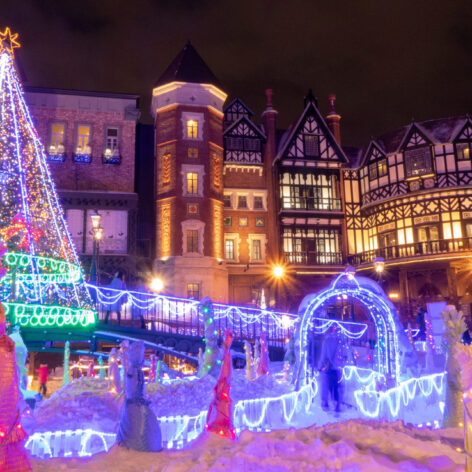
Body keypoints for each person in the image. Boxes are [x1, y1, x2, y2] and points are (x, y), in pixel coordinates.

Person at [318, 325, 341, 413]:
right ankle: (336, 404)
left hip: (329, 367)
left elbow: (323, 355)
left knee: (326, 384)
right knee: (336, 385)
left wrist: (320, 366)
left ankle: (326, 403)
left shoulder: (327, 341)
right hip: (337, 367)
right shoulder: (340, 341)